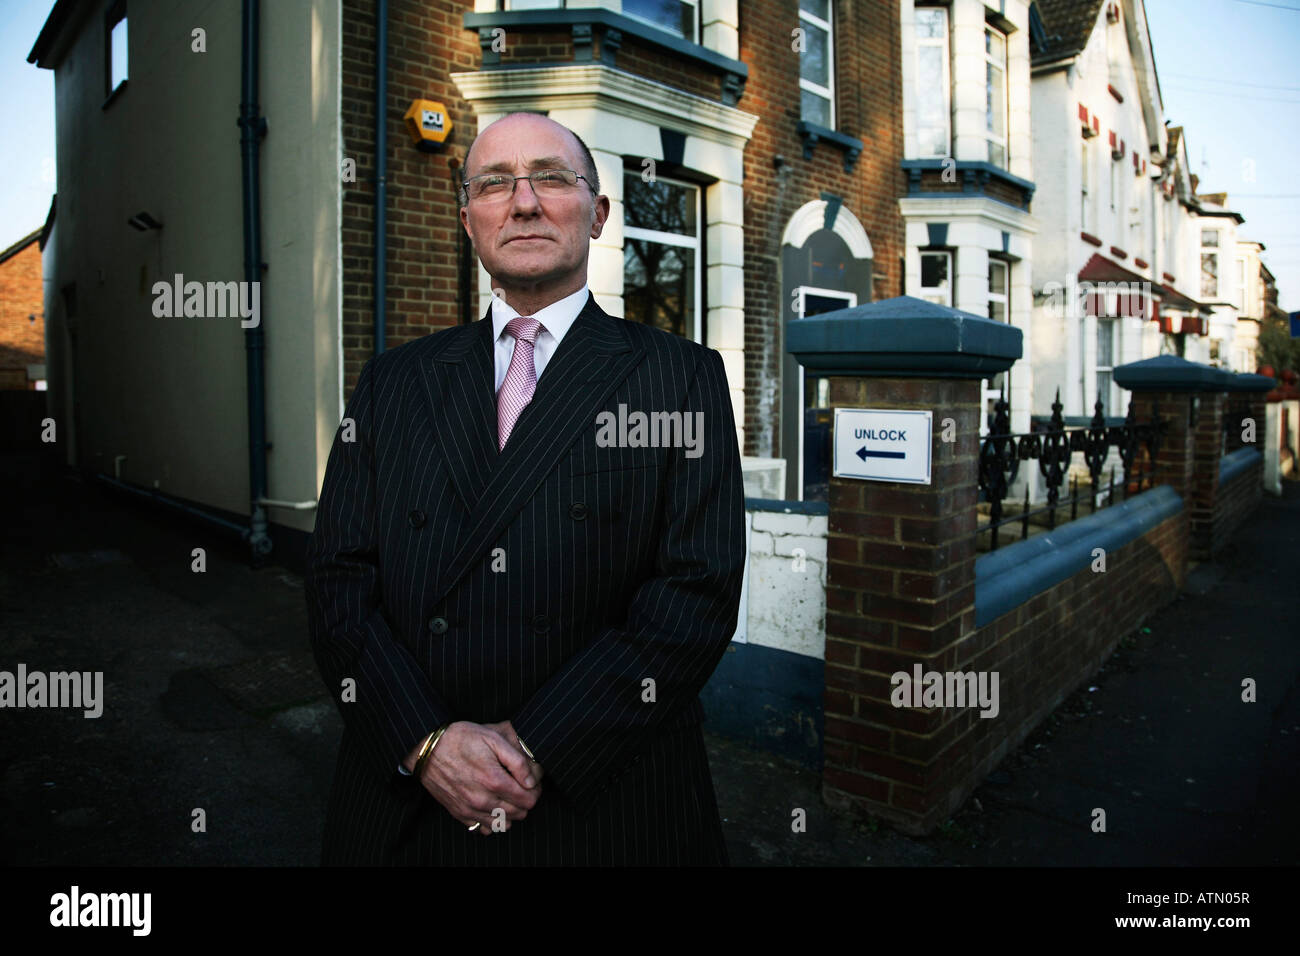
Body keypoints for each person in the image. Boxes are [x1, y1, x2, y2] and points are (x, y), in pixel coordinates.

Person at [305, 111, 745, 865]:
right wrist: (427, 740)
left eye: (551, 177)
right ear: (468, 218)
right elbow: (338, 579)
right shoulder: (394, 381)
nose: (525, 201)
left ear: (598, 213)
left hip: (604, 799)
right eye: (495, 183)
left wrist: (540, 743)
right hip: (412, 802)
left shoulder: (680, 376)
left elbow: (695, 591)